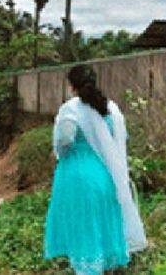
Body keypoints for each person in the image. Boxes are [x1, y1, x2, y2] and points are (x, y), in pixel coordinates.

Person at [45, 65, 147, 275]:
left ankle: (88, 270)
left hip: (78, 177)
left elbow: (65, 139)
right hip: (106, 177)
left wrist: (61, 153)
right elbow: (120, 139)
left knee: (83, 227)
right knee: (103, 224)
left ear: (71, 85)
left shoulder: (71, 109)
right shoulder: (110, 108)